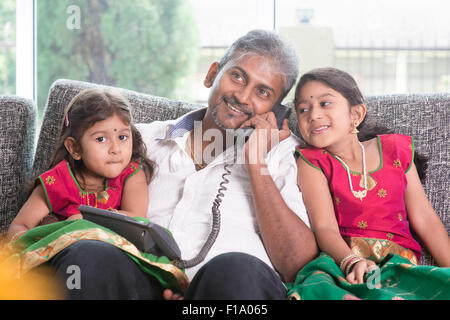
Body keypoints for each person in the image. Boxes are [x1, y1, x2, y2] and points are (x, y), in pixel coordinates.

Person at [41, 29, 318, 300]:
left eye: (263, 92)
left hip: (228, 291)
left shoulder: (285, 155)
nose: (243, 97)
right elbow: (64, 202)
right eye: (237, 76)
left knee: (237, 268)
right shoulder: (135, 140)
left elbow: (296, 264)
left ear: (275, 111)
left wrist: (256, 163)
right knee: (87, 255)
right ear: (212, 74)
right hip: (136, 283)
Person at [4, 89, 189, 296]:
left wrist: (85, 222)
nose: (115, 149)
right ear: (75, 148)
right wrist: (57, 234)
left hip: (114, 260)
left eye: (122, 137)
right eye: (101, 139)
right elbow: (20, 226)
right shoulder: (57, 181)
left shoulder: (130, 174)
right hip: (66, 262)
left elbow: (135, 219)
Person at [288, 67, 450, 300]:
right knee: (318, 288)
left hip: (397, 266)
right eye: (303, 109)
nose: (313, 115)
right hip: (346, 265)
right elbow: (324, 227)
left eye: (325, 104)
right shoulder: (313, 162)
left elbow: (425, 219)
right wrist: (352, 262)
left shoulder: (395, 149)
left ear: (356, 114)